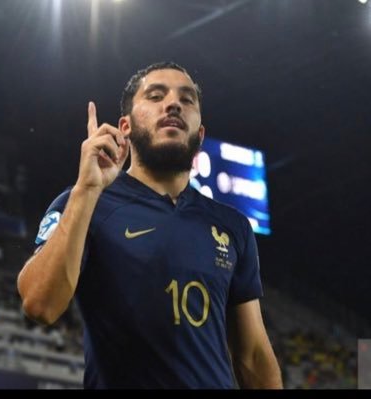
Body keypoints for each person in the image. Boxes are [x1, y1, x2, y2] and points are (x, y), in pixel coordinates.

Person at [17, 62, 283, 389]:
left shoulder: (233, 227)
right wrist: (85, 191)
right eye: (156, 96)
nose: (173, 104)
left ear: (199, 134)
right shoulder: (86, 202)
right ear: (124, 126)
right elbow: (39, 304)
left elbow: (253, 354)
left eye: (187, 100)